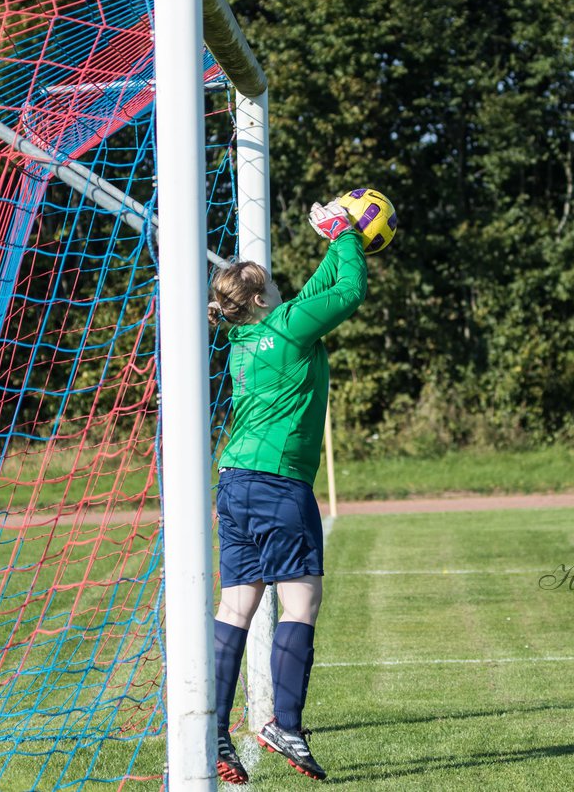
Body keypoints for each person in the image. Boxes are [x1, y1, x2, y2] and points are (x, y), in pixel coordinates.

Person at [207, 199, 368, 784]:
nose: (282, 290)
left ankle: (215, 730)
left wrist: (334, 241)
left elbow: (313, 293)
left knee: (236, 606)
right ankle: (286, 725)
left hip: (234, 482)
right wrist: (347, 234)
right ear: (257, 299)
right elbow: (347, 291)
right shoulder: (288, 328)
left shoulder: (244, 340)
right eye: (272, 285)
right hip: (279, 485)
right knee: (301, 604)